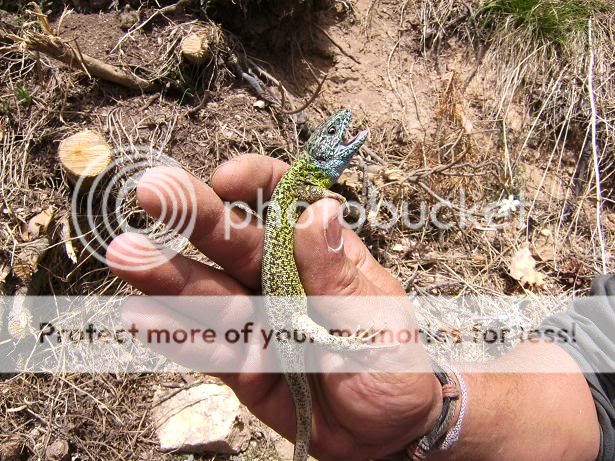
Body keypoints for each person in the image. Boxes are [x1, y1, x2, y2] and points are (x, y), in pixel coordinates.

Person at [106, 155, 613, 461]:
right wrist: (430, 417)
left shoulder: (301, 190)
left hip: (288, 304)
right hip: (285, 309)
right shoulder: (298, 188)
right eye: (334, 145)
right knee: (299, 348)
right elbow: (595, 368)